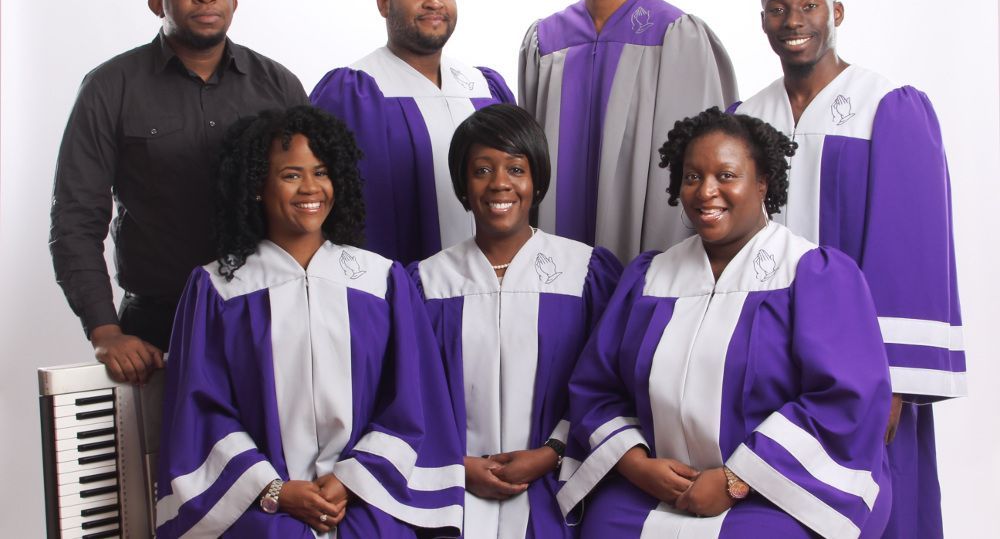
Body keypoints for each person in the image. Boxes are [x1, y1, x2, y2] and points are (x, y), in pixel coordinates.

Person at [558, 107, 892, 539]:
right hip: (655, 486)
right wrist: (637, 465)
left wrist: (735, 480)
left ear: (762, 182)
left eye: (726, 175)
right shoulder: (650, 277)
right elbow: (597, 387)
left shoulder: (811, 273)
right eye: (692, 177)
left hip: (777, 491)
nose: (705, 191)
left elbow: (845, 400)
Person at [732, 0, 965, 539]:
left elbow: (910, 249)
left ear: (835, 12)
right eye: (778, 9)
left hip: (861, 362)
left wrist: (894, 382)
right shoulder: (745, 118)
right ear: (762, 22)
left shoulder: (886, 108)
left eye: (809, 5)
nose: (794, 20)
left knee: (874, 500)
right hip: (766, 355)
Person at [155, 106, 464, 538]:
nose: (310, 188)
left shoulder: (380, 281)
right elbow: (200, 412)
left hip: (365, 496)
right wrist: (275, 490)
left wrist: (350, 479)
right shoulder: (219, 289)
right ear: (257, 186)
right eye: (291, 175)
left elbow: (413, 399)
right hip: (259, 506)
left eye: (321, 172)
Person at [49, 0, 307, 384]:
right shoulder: (110, 87)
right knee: (160, 434)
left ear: (233, 0)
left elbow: (310, 197)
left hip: (268, 316)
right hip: (157, 328)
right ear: (158, 2)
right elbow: (75, 216)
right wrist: (105, 330)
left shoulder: (278, 85)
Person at [410, 104, 622, 538]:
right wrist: (458, 466)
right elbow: (409, 397)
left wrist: (552, 452)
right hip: (451, 485)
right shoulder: (426, 283)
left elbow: (610, 385)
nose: (499, 183)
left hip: (559, 480)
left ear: (536, 181)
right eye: (482, 170)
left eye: (516, 169)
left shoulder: (585, 273)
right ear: (463, 186)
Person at [519, 0, 738, 263]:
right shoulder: (546, 41)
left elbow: (701, 164)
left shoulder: (674, 35)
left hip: (649, 259)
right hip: (555, 261)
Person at [311, 0, 515, 266]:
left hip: (490, 284)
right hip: (392, 285)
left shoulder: (486, 89)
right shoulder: (352, 94)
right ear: (384, 2)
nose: (434, 2)